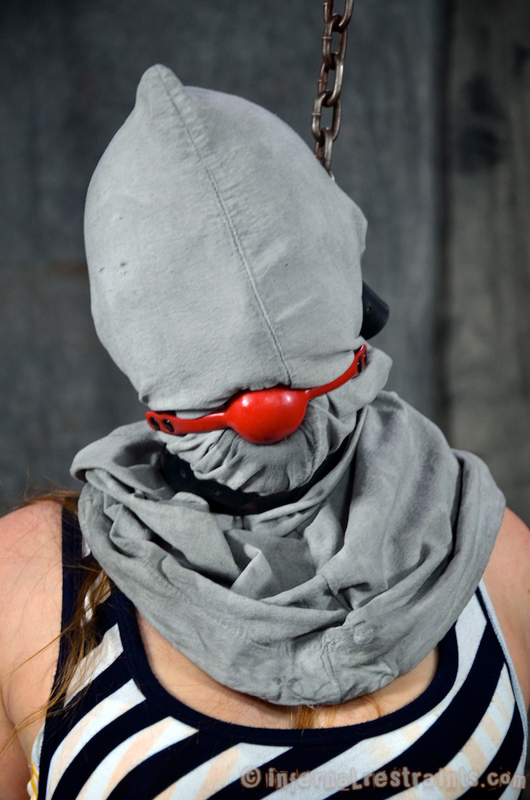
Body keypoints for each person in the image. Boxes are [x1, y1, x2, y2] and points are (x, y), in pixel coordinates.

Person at [1, 64, 529, 799]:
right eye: (230, 393)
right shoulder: (32, 582)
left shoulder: (485, 549)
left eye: (293, 385)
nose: (268, 415)